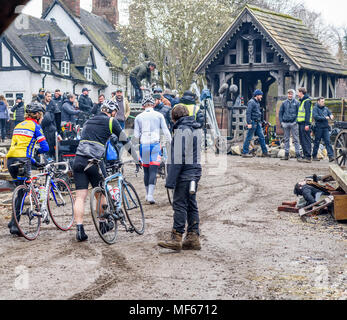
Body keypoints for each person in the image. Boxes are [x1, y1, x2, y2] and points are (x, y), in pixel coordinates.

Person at [72, 100, 141, 242]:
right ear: (113, 112)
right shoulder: (111, 122)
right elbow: (125, 141)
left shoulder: (88, 121)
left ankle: (79, 230)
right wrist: (136, 158)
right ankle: (103, 224)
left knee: (80, 197)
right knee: (100, 193)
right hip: (93, 162)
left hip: (78, 160)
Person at [158, 104, 202, 251]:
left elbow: (178, 156)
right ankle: (193, 237)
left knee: (180, 204)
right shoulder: (195, 128)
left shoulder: (182, 130)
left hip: (185, 173)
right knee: (191, 203)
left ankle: (176, 237)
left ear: (174, 118)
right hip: (194, 172)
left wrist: (170, 180)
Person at [6, 102, 49, 236]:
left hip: (11, 160)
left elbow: (21, 148)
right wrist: (37, 152)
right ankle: (15, 225)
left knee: (19, 190)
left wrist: (34, 162)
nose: (41, 117)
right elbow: (46, 148)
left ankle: (13, 221)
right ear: (37, 115)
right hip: (23, 160)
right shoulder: (35, 126)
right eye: (41, 115)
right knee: (22, 192)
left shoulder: (18, 125)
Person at [134, 95, 171, 204]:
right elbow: (165, 130)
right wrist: (171, 142)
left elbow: (136, 135)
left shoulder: (138, 117)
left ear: (143, 106)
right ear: (153, 104)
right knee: (153, 171)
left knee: (146, 171)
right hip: (155, 144)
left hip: (143, 144)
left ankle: (147, 194)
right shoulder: (159, 115)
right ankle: (150, 195)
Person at [241, 90, 269, 158]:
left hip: (257, 122)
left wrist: (262, 121)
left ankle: (265, 152)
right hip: (253, 122)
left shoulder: (257, 103)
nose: (261, 97)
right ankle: (245, 152)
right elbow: (248, 113)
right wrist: (249, 123)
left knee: (262, 137)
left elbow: (258, 113)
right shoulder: (251, 102)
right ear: (257, 95)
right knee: (249, 137)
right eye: (260, 95)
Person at [279, 89, 301, 160]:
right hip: (285, 123)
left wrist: (296, 121)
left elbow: (299, 113)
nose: (290, 95)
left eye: (291, 94)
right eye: (288, 94)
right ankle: (286, 155)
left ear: (293, 95)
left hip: (294, 123)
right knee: (286, 139)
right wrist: (281, 122)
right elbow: (280, 113)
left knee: (296, 139)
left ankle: (298, 155)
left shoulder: (297, 103)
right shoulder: (284, 103)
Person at [41, 91, 62, 160]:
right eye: (48, 96)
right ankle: (47, 158)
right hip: (44, 127)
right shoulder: (41, 104)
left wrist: (58, 129)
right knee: (46, 144)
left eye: (50, 96)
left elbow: (57, 116)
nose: (49, 98)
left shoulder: (53, 104)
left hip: (52, 126)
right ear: (45, 96)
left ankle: (51, 158)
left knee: (52, 144)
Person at [312, 97, 334, 162]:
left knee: (328, 142)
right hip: (318, 128)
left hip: (325, 128)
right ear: (318, 102)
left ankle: (331, 156)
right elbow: (316, 117)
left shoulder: (326, 108)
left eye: (323, 101)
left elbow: (329, 113)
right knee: (317, 142)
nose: (323, 102)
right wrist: (324, 118)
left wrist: (331, 115)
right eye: (322, 101)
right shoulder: (315, 108)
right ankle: (314, 156)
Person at [297, 87, 313, 163]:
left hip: (305, 124)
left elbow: (308, 113)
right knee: (302, 140)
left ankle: (308, 156)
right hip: (301, 123)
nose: (297, 94)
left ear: (301, 93)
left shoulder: (306, 101)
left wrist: (307, 124)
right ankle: (305, 155)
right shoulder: (302, 101)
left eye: (298, 92)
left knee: (306, 140)